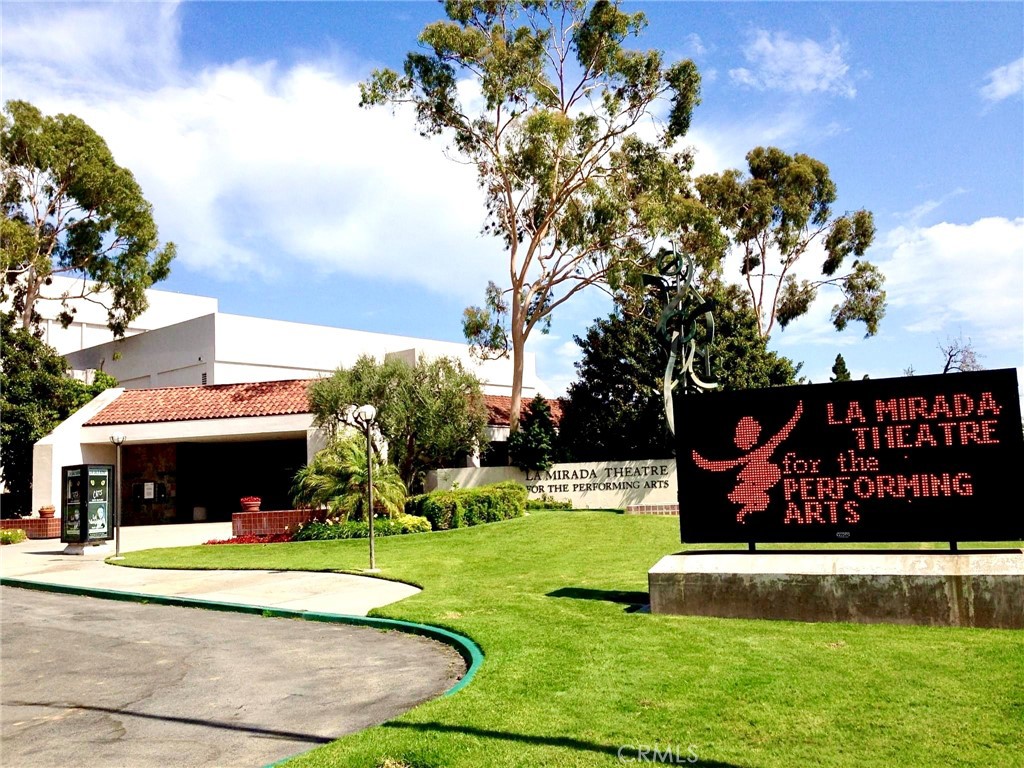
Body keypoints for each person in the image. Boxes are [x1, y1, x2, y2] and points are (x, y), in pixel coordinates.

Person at [692, 402, 803, 522]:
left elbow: (782, 433)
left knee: (761, 499)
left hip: (763, 479)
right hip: (753, 486)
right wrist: (702, 462)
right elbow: (722, 465)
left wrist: (796, 415)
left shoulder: (765, 449)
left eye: (745, 432)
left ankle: (745, 512)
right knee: (757, 498)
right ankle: (744, 512)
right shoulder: (750, 456)